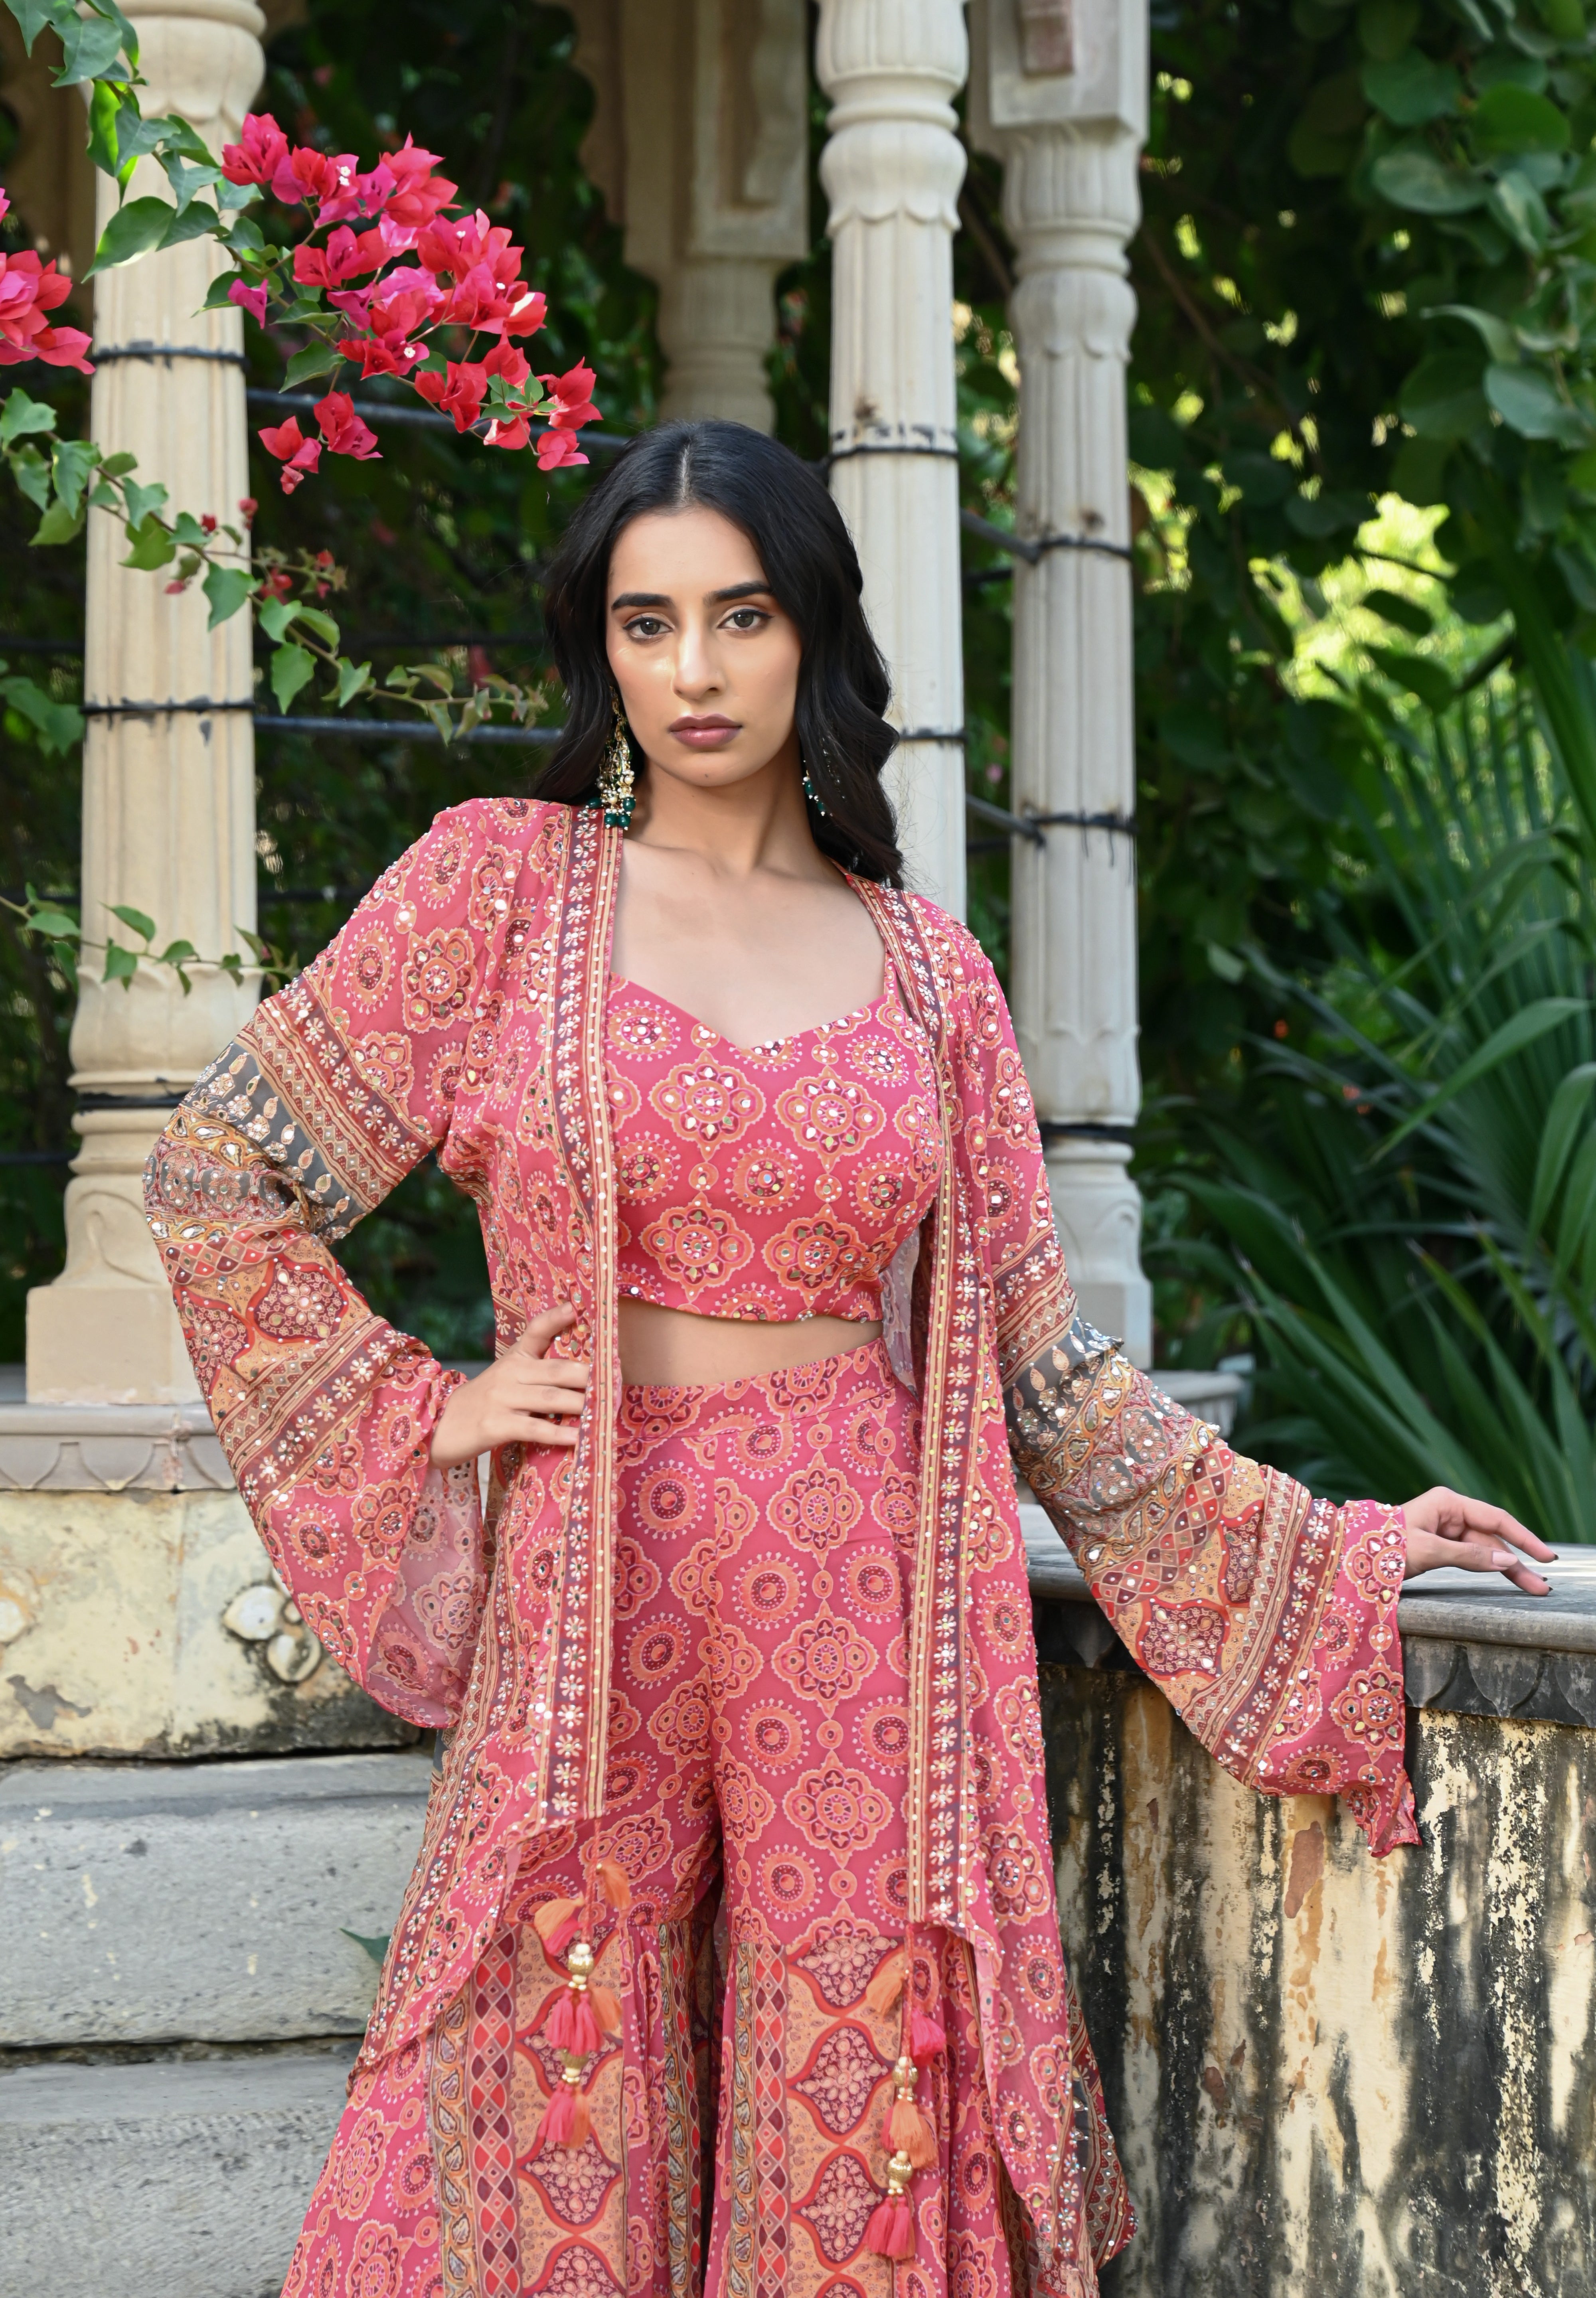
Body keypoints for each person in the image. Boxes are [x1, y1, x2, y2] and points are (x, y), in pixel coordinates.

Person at [144, 420, 1553, 2298]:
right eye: (646, 626)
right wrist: (432, 1407)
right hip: (595, 1563)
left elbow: (1047, 1382)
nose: (695, 672)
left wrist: (1342, 1549)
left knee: (861, 2060)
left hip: (863, 1580)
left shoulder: (926, 975)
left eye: (738, 616)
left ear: (811, 631)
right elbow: (215, 1170)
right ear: (602, 649)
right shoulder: (496, 894)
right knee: (542, 2021)